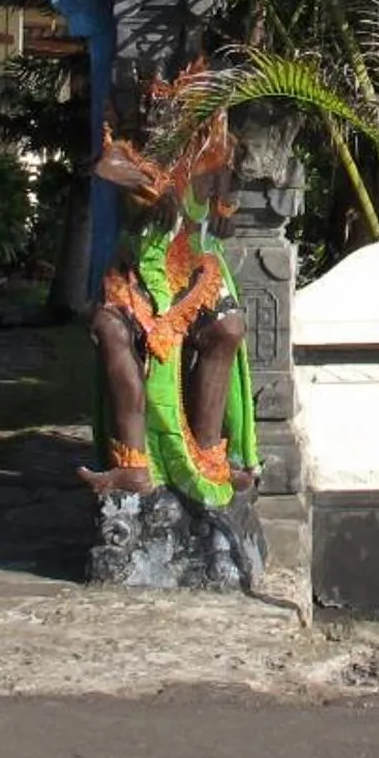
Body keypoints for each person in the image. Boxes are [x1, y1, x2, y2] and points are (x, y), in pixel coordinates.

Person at [78, 64, 256, 505]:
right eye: (154, 112)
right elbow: (107, 166)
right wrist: (155, 184)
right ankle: (133, 464)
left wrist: (224, 196)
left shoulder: (210, 157)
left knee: (228, 329)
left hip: (193, 276)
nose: (161, 122)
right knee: (110, 329)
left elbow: (223, 222)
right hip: (136, 278)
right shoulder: (132, 154)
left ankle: (211, 456)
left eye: (173, 113)